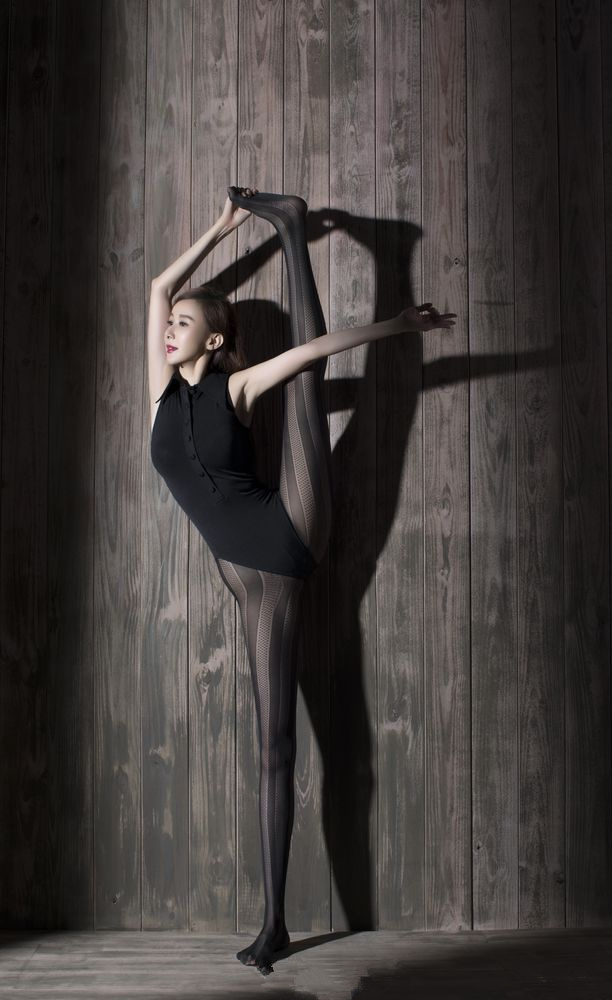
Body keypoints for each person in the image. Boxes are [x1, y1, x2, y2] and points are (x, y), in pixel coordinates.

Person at [147, 186, 456, 975]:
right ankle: (277, 925)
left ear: (216, 339)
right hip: (244, 580)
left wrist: (397, 327)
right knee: (274, 743)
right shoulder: (161, 393)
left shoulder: (237, 386)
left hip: (284, 536)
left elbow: (315, 350)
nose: (169, 328)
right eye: (170, 324)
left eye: (184, 323)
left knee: (307, 387)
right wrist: (220, 226)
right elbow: (156, 286)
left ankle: (273, 924)